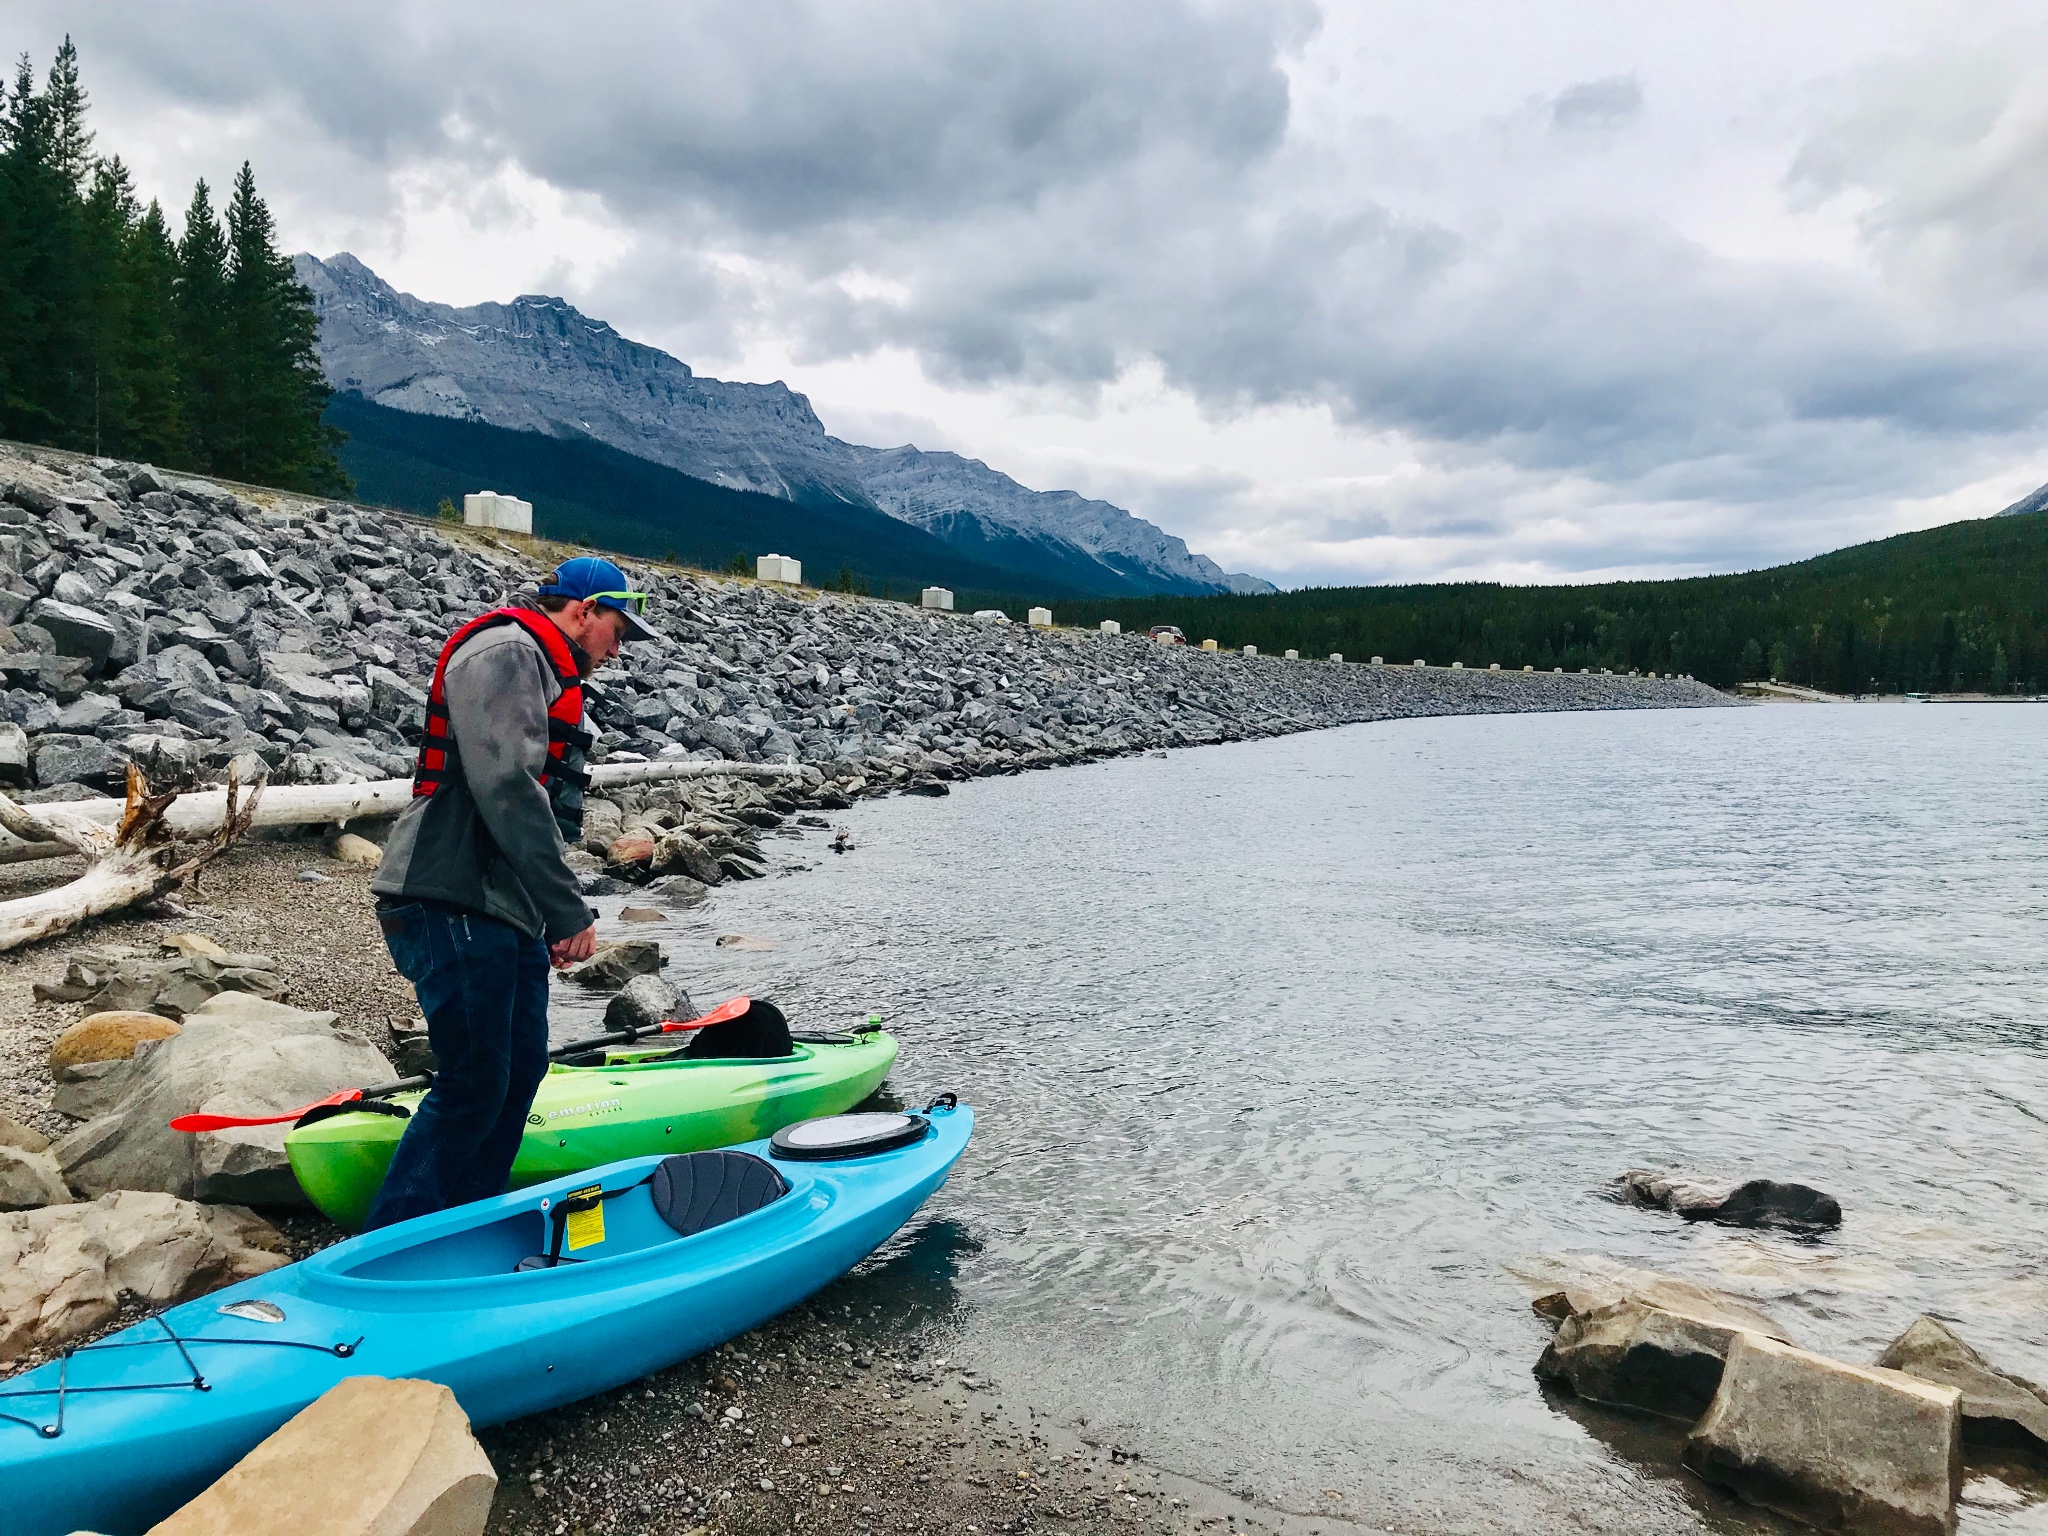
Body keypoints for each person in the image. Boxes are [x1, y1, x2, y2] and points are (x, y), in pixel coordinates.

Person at [364, 556, 657, 1230]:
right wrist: (564, 909)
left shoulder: (545, 668)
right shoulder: (506, 653)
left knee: (517, 1071)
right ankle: (393, 1252)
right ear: (583, 611)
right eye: (618, 630)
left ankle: (465, 1228)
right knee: (474, 1082)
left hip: (497, 907)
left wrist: (539, 918)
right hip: (449, 897)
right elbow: (505, 790)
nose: (620, 650)